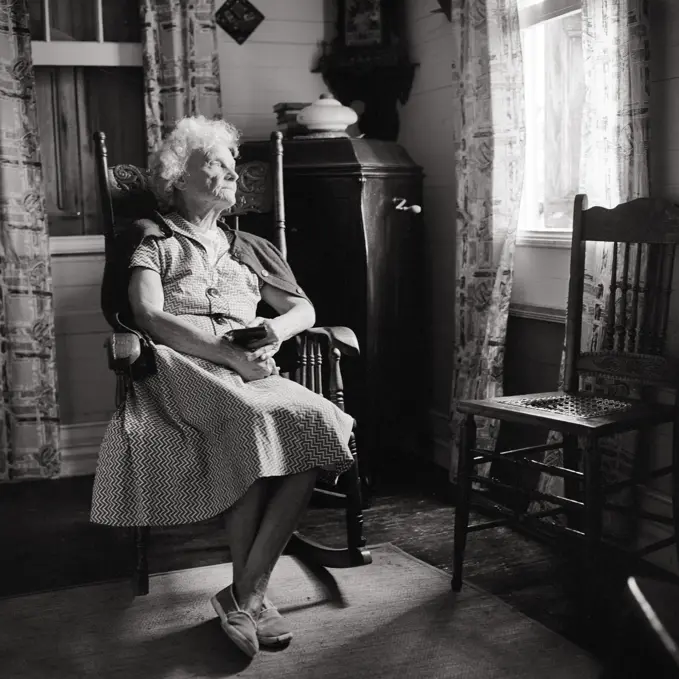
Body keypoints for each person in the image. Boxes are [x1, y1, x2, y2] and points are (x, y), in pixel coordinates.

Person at [90, 115, 355, 658]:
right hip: (183, 366)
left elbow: (302, 308)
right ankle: (252, 598)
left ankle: (244, 593)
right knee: (256, 422)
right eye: (215, 164)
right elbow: (147, 314)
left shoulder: (251, 246)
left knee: (321, 421)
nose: (232, 173)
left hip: (250, 368)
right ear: (176, 178)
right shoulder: (151, 236)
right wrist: (229, 355)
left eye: (233, 167)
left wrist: (272, 332)